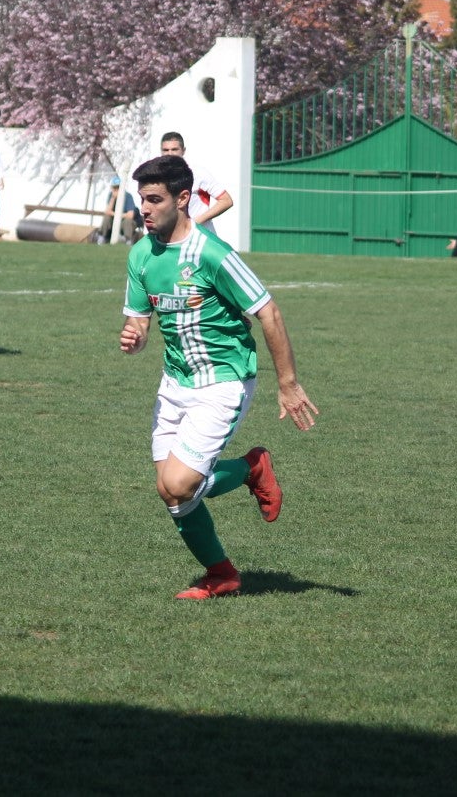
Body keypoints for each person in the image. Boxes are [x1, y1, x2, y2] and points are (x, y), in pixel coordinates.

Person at [119, 155, 319, 599]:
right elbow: (141, 321)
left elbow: (268, 312)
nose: (145, 209)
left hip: (223, 380)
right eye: (142, 199)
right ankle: (222, 574)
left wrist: (288, 383)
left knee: (180, 483)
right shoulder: (140, 254)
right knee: (170, 493)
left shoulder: (213, 254)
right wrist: (134, 336)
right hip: (174, 383)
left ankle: (251, 468)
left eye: (154, 199)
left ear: (183, 198)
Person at [159, 132, 233, 232]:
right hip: (173, 237)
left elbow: (226, 201)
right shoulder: (157, 176)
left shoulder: (198, 173)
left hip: (201, 235)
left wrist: (194, 223)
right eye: (166, 150)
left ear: (183, 150)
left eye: (174, 149)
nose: (170, 154)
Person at [99, 176, 143, 244]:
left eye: (118, 188)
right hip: (113, 222)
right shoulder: (111, 195)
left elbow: (130, 215)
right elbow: (107, 212)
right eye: (114, 188)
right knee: (106, 218)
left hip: (124, 223)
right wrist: (113, 198)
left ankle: (128, 241)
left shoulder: (128, 196)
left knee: (127, 221)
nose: (116, 190)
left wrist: (115, 214)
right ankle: (102, 238)